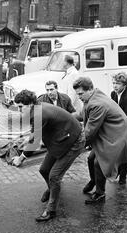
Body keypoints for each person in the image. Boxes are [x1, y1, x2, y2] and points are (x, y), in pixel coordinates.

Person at [12, 90, 85, 222]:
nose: (19, 110)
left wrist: (21, 158)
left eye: (21, 107)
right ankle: (53, 190)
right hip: (60, 139)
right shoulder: (37, 108)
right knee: (44, 170)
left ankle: (51, 210)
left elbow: (34, 142)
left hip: (74, 141)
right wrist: (27, 139)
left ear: (30, 104)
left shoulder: (40, 114)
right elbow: (36, 133)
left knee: (54, 176)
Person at [73, 77, 127, 203]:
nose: (79, 97)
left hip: (120, 135)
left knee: (99, 163)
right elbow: (81, 114)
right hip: (113, 132)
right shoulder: (92, 96)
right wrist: (66, 116)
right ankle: (94, 180)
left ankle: (100, 194)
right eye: (77, 94)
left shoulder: (96, 104)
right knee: (91, 158)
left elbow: (90, 132)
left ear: (90, 89)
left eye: (80, 94)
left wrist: (74, 145)